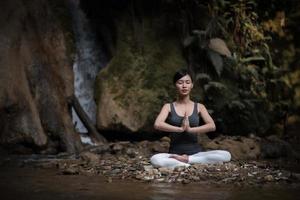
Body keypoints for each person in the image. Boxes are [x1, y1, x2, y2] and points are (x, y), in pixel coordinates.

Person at [150, 68, 231, 169]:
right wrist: (180, 129)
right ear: (175, 85)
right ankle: (184, 164)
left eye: (187, 82)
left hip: (195, 154)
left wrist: (190, 130)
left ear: (192, 85)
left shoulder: (199, 107)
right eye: (180, 82)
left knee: (226, 155)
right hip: (174, 154)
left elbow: (212, 126)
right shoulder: (168, 107)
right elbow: (157, 124)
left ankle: (187, 161)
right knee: (155, 159)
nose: (184, 86)